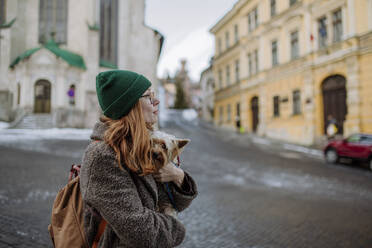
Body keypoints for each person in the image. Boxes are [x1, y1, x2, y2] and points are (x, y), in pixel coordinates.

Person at [80, 70, 198, 247]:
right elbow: (143, 233)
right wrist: (177, 229)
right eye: (149, 97)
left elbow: (171, 201)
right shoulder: (102, 157)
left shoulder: (140, 145)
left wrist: (177, 176)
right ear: (130, 106)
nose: (156, 101)